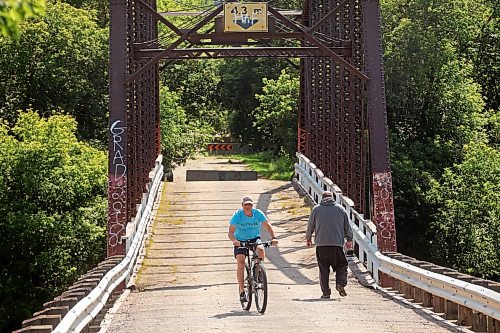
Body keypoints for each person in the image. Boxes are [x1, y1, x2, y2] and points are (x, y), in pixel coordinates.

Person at [228, 196, 278, 302]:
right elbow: (230, 232)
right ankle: (242, 291)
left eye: (249, 204)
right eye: (246, 204)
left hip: (254, 238)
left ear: (252, 206)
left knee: (261, 249)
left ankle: (259, 270)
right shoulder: (237, 216)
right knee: (241, 263)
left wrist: (273, 237)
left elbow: (267, 225)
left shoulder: (258, 213)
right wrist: (234, 241)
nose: (248, 206)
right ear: (242, 206)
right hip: (240, 240)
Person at [306, 190, 353, 299]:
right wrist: (349, 239)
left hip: (321, 245)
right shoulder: (340, 209)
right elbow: (347, 226)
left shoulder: (316, 209)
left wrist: (308, 239)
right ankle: (340, 284)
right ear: (333, 198)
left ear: (322, 198)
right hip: (336, 245)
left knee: (323, 269)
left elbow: (310, 226)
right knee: (341, 265)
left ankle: (326, 293)